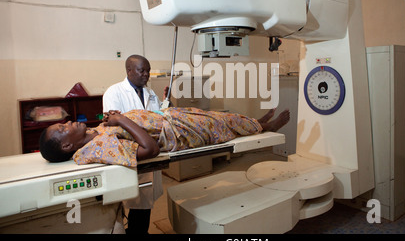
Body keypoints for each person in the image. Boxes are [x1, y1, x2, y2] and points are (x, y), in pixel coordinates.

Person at [39, 107, 290, 166]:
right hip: (178, 133)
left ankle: (258, 123)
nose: (68, 122)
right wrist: (121, 120)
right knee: (223, 125)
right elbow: (149, 150)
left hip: (171, 117)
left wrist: (111, 121)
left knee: (220, 116)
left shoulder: (94, 136)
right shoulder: (95, 150)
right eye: (62, 129)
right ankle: (264, 127)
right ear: (67, 146)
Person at [101, 54, 168, 234]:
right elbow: (114, 126)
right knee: (124, 205)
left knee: (145, 202)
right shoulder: (114, 92)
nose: (146, 74)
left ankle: (139, 232)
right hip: (131, 154)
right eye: (141, 70)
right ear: (129, 71)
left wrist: (165, 102)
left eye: (148, 70)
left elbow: (159, 116)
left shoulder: (150, 93)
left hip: (150, 152)